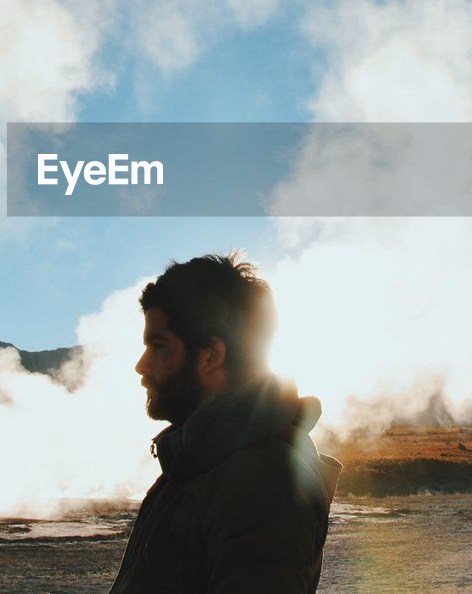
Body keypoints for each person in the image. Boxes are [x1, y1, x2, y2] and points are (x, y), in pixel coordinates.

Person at [110, 253, 342, 594]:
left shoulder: (262, 478)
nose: (142, 365)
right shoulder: (198, 461)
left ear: (211, 356)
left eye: (159, 347)